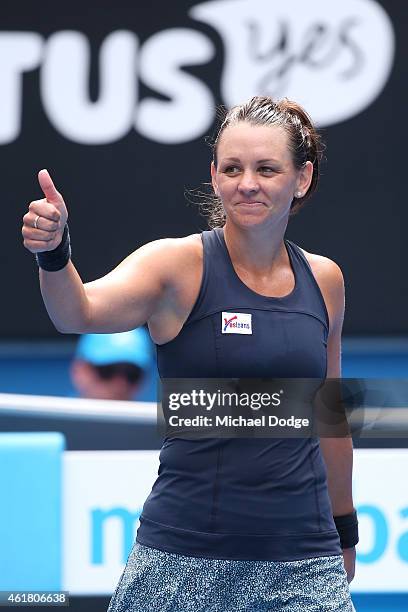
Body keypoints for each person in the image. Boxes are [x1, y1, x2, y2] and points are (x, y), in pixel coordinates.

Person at [22, 96, 358, 611]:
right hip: (181, 564)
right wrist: (54, 253)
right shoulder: (174, 266)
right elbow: (79, 313)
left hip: (305, 564)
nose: (247, 183)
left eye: (267, 168)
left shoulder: (325, 280)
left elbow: (329, 416)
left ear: (302, 178)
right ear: (215, 175)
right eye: (232, 168)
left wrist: (345, 529)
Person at [70, 328, 152, 401]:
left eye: (132, 374)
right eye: (107, 371)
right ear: (78, 371)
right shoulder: (57, 415)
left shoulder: (159, 417)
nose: (120, 384)